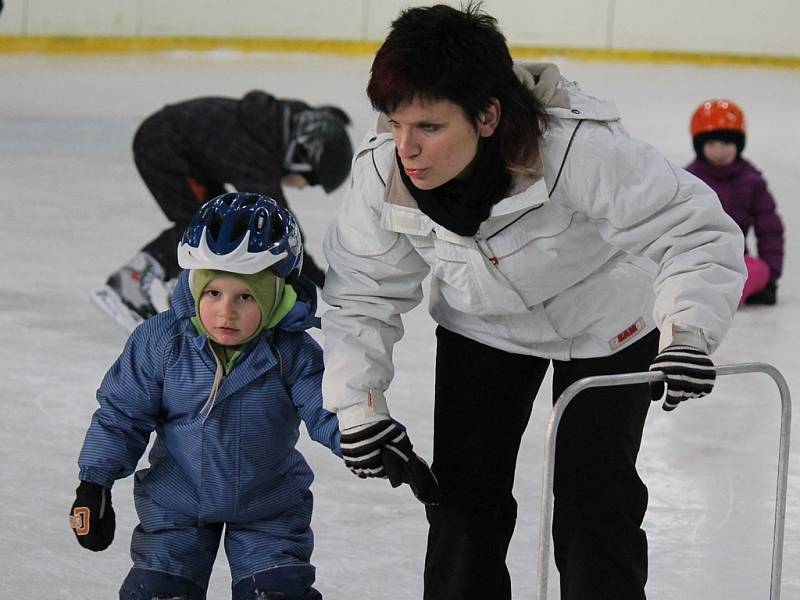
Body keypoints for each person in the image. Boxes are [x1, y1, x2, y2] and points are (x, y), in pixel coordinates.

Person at [320, 3, 747, 599]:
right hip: (483, 326)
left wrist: (690, 333)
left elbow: (695, 229)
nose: (406, 148)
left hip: (608, 327)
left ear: (488, 116)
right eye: (394, 124)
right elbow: (360, 293)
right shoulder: (382, 175)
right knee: (462, 508)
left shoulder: (579, 150)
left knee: (595, 506)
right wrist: (358, 406)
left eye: (430, 127)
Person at [70, 192, 340, 600]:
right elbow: (121, 415)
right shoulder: (162, 341)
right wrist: (95, 483)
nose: (224, 312)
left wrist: (367, 441)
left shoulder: (293, 352)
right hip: (176, 500)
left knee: (278, 592)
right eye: (213, 293)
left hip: (268, 505)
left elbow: (329, 410)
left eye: (245, 296)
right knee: (157, 592)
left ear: (275, 297)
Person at [98, 91, 353, 329]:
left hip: (176, 146)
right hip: (164, 147)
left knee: (218, 223)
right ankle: (129, 281)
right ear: (302, 156)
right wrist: (321, 283)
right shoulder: (255, 153)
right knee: (207, 226)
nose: (300, 187)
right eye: (307, 180)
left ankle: (181, 287)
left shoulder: (275, 127)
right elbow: (279, 228)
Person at [686, 98, 784, 305]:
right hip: (697, 259)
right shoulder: (688, 180)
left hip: (737, 263)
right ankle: (708, 292)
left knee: (758, 269)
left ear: (738, 145)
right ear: (699, 146)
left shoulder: (752, 181)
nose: (719, 152)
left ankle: (724, 294)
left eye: (727, 144)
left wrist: (771, 277)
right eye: (711, 144)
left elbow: (770, 230)